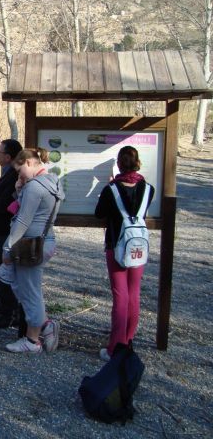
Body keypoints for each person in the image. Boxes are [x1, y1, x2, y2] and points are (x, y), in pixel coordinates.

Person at [95, 146, 154, 361]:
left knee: (120, 296)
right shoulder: (148, 188)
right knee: (134, 294)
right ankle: (128, 341)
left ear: (119, 164)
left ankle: (115, 347)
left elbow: (99, 213)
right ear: (138, 162)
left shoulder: (111, 189)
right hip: (138, 246)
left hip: (116, 245)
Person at [2, 148, 64, 354]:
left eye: (20, 172)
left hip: (29, 245)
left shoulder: (35, 187)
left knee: (29, 292)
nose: (19, 176)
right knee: (24, 285)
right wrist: (20, 189)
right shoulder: (52, 182)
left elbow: (22, 220)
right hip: (44, 240)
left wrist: (7, 247)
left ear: (28, 163)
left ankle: (33, 339)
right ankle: (42, 325)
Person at [0, 139, 23, 329]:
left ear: (7, 157)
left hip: (3, 231)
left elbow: (6, 205)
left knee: (3, 271)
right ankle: (4, 304)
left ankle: (10, 312)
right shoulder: (8, 174)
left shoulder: (15, 177)